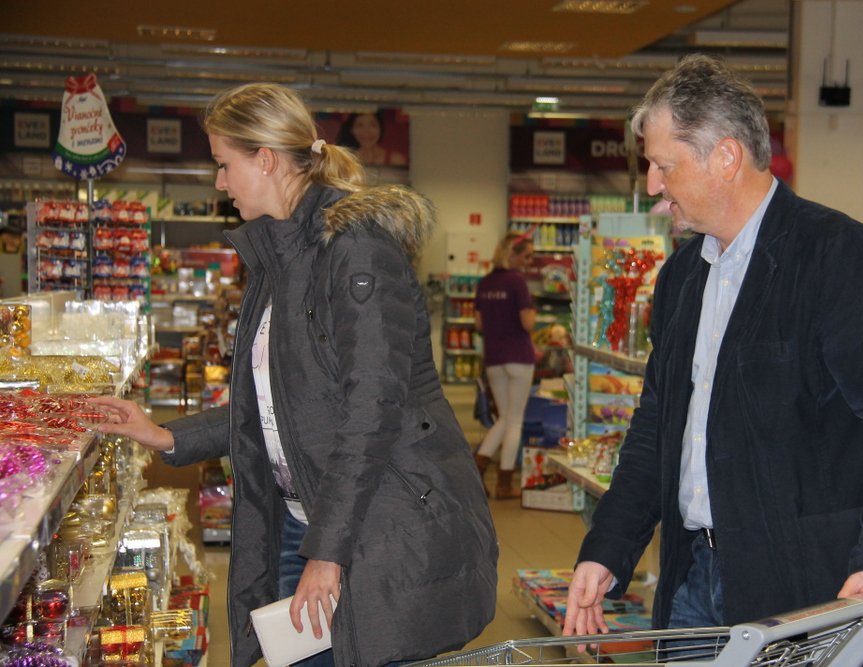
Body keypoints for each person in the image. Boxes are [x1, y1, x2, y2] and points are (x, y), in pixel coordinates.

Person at [91, 82, 498, 667]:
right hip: (305, 523)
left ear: (265, 159)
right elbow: (279, 401)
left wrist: (328, 553)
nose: (220, 183)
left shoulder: (355, 250)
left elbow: (371, 408)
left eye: (223, 164)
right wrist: (165, 435)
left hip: (378, 528)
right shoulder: (277, 260)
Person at [562, 54, 863, 665]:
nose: (653, 185)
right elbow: (657, 426)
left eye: (664, 166)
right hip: (693, 579)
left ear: (726, 157)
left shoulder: (835, 255)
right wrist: (608, 547)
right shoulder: (682, 276)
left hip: (803, 593)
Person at [472, 231, 537, 499]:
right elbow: (527, 323)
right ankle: (504, 483)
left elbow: (478, 324)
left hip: (494, 358)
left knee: (504, 418)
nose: (530, 262)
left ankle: (478, 466)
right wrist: (534, 312)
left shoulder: (485, 282)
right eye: (528, 256)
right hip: (519, 357)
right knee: (514, 421)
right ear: (514, 254)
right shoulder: (517, 282)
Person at [336, 111, 407, 167]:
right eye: (360, 125)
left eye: (373, 125)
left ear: (380, 128)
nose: (366, 131)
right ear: (351, 130)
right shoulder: (346, 160)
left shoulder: (396, 160)